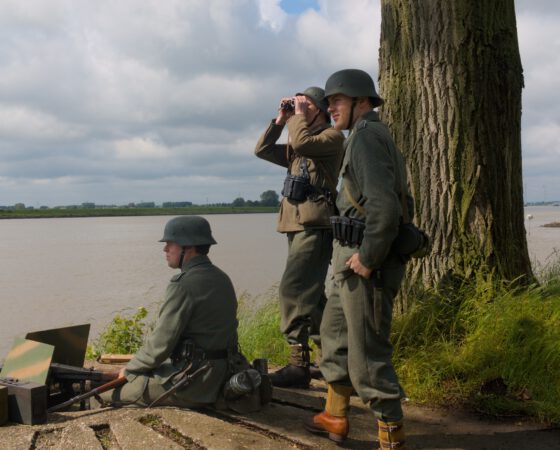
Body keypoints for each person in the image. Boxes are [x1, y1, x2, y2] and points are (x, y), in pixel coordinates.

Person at [303, 69, 409, 449]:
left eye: (338, 101)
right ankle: (335, 415)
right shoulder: (360, 137)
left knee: (368, 358)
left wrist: (368, 257)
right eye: (329, 101)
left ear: (361, 101)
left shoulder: (366, 137)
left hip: (365, 264)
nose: (331, 107)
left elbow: (384, 205)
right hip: (347, 261)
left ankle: (390, 439)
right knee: (334, 338)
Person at [100, 215, 243, 408]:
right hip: (226, 373)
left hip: (195, 383)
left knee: (103, 396)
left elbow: (160, 345)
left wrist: (129, 370)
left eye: (170, 244)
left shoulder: (183, 284)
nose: (165, 249)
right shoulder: (221, 277)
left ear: (188, 247)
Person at [254, 87, 344, 388]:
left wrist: (299, 117)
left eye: (305, 105)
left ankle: (297, 366)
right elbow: (262, 150)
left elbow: (304, 143)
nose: (298, 109)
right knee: (313, 296)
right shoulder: (299, 142)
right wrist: (280, 120)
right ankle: (331, 360)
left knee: (292, 290)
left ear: (317, 109)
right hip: (296, 224)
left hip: (315, 226)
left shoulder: (331, 139)